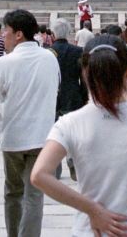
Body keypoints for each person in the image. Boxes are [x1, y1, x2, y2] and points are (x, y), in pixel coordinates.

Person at [31, 37, 127, 237]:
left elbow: (39, 175)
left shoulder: (69, 123)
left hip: (89, 231)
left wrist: (92, 209)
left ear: (85, 73)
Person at [0, 8, 60, 237]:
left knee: (13, 191)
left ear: (18, 34)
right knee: (34, 194)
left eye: (6, 31)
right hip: (42, 136)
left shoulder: (4, 63)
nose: (3, 36)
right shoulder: (50, 59)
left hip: (13, 136)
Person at [49, 18, 86, 181]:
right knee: (73, 133)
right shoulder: (78, 51)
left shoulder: (48, 52)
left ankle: (54, 167)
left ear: (53, 33)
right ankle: (73, 163)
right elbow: (84, 78)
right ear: (69, 33)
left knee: (53, 132)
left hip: (52, 96)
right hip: (73, 95)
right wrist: (85, 97)